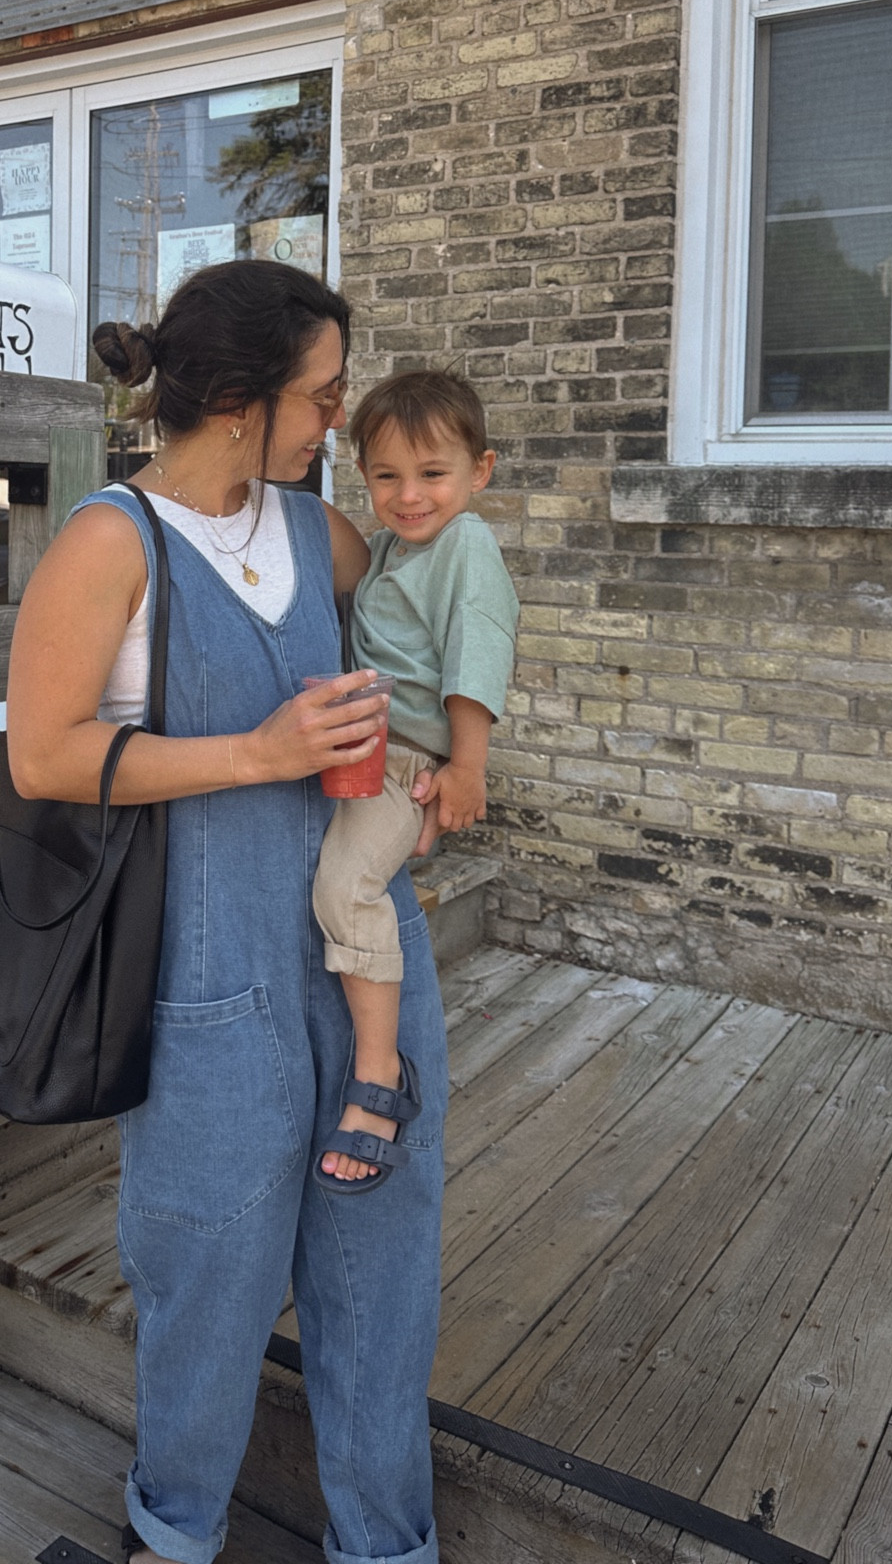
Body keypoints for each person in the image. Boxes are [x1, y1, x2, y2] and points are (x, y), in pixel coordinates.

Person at [7, 260, 447, 1564]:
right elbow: (41, 756)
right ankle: (174, 1532)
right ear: (244, 401)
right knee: (208, 1276)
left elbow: (425, 602)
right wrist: (257, 752)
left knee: (381, 1281)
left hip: (371, 970)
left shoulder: (319, 534)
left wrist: (439, 742)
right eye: (322, 395)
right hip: (212, 985)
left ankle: (388, 1546)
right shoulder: (109, 544)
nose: (338, 421)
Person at [312, 371, 518, 1188]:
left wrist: (467, 767)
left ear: (482, 470)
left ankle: (376, 1077)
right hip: (368, 745)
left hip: (406, 761)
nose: (409, 495)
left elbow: (479, 649)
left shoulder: (465, 545)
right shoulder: (398, 545)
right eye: (387, 476)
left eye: (433, 474)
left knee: (347, 887)